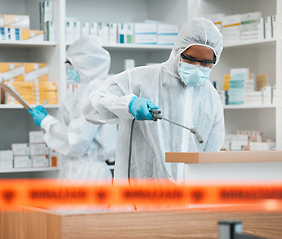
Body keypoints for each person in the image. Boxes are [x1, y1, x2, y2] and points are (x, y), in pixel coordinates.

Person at [82, 18, 225, 182]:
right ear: (178, 51)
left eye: (206, 63)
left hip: (187, 199)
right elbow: (90, 108)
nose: (197, 67)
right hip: (138, 196)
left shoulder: (211, 97)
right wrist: (128, 104)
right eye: (191, 59)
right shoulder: (140, 79)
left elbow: (211, 153)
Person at [28, 36, 116, 181]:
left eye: (70, 64)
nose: (68, 69)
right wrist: (47, 120)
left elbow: (77, 139)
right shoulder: (85, 89)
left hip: (86, 174)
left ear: (84, 64)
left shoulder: (93, 90)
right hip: (80, 169)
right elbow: (75, 128)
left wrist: (47, 122)